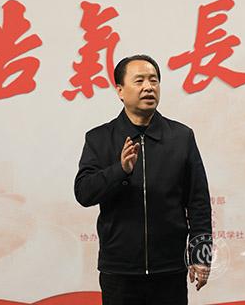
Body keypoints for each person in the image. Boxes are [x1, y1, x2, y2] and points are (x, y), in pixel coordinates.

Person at [74, 54, 213, 305]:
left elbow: (198, 201)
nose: (148, 87)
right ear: (120, 90)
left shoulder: (181, 137)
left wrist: (200, 255)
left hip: (169, 269)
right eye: (139, 81)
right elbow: (84, 193)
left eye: (154, 80)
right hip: (119, 271)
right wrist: (120, 170)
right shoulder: (100, 138)